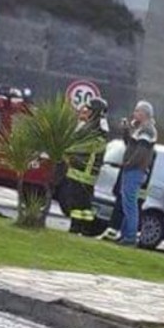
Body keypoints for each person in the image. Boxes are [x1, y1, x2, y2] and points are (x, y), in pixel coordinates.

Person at [64, 98, 109, 235]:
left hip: (84, 172)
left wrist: (68, 149)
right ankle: (83, 228)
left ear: (95, 112)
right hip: (79, 170)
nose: (86, 111)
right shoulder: (89, 126)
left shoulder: (97, 130)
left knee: (79, 203)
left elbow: (84, 146)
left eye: (89, 110)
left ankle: (77, 228)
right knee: (81, 203)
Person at [118, 101, 157, 246]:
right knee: (127, 202)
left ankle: (130, 237)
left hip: (135, 171)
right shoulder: (140, 128)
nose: (134, 114)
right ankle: (125, 235)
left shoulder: (147, 130)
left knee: (130, 204)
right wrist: (126, 130)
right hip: (132, 170)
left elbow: (141, 152)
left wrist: (128, 165)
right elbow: (130, 144)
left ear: (144, 113)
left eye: (137, 111)